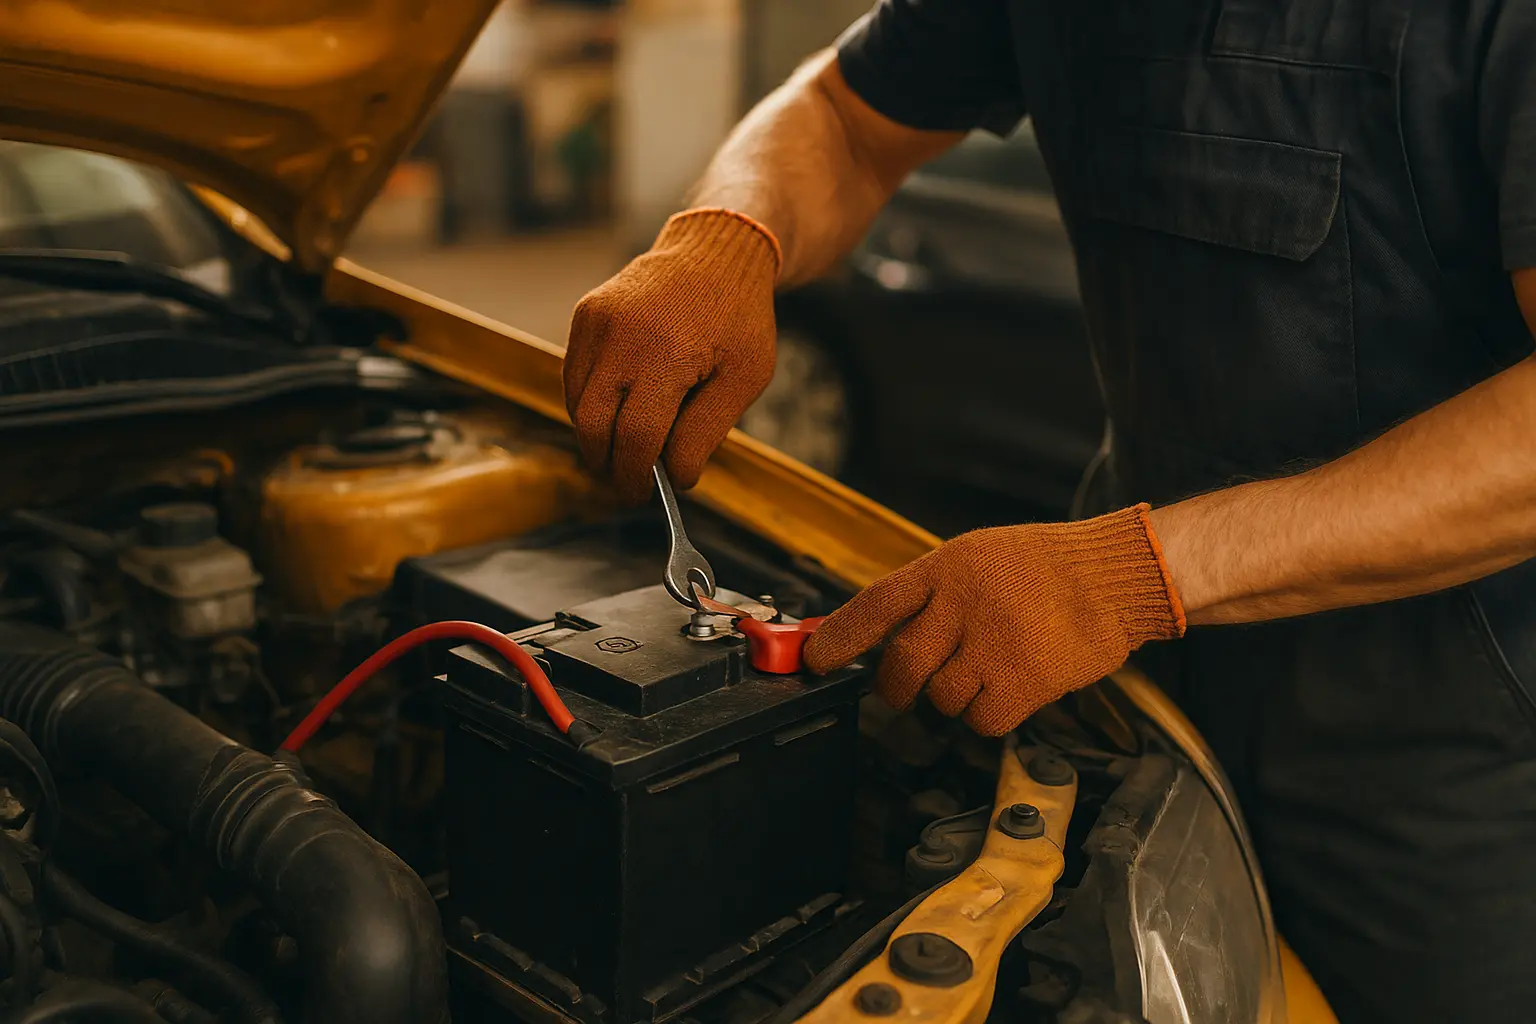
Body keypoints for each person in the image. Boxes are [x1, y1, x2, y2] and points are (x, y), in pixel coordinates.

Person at [560, 2, 1536, 1020]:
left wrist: (1135, 573)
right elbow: (846, 119)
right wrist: (730, 231)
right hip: (1124, 686)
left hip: (1442, 760)